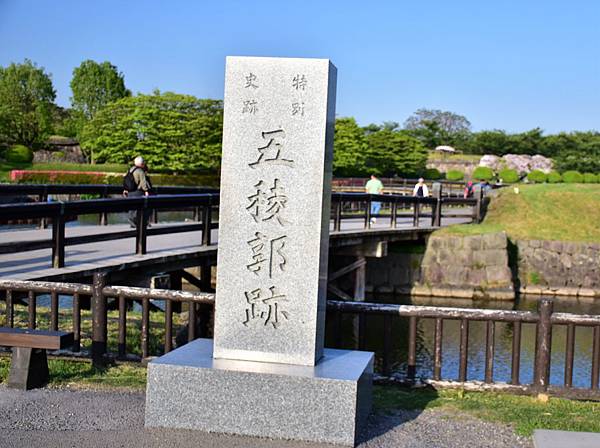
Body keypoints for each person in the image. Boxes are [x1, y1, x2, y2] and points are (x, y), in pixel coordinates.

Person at [123, 156, 153, 228]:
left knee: (132, 208)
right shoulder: (140, 171)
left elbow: (126, 180)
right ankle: (142, 223)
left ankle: (132, 223)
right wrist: (146, 191)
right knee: (144, 207)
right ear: (142, 163)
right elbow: (143, 182)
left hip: (130, 191)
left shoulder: (130, 170)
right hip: (138, 191)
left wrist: (125, 189)